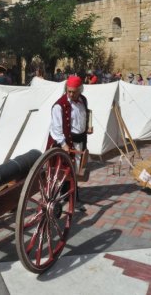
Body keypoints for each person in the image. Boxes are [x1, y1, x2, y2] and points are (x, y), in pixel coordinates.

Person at [46, 75, 93, 211]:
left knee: (76, 169)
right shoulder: (59, 106)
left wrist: (86, 128)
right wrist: (63, 144)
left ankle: (72, 194)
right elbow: (55, 129)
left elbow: (84, 116)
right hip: (66, 142)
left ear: (80, 90)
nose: (71, 94)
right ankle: (61, 197)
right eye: (69, 91)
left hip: (80, 140)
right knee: (63, 170)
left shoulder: (83, 100)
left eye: (74, 91)